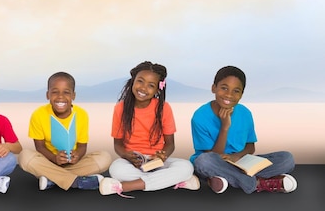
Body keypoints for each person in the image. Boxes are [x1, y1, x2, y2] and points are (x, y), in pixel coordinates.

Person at [190, 65, 297, 194]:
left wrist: (236, 157)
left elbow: (250, 146)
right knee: (203, 162)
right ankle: (257, 183)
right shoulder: (200, 116)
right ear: (214, 88)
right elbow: (214, 155)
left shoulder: (245, 113)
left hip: (240, 161)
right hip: (215, 161)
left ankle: (226, 179)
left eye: (236, 91)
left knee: (287, 159)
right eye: (224, 88)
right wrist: (225, 127)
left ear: (241, 94)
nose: (229, 95)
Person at [99, 61, 199, 197]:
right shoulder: (120, 108)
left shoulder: (164, 108)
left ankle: (125, 186)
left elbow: (170, 144)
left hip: (157, 161)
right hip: (133, 162)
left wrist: (162, 156)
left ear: (158, 89)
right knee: (116, 169)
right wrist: (126, 155)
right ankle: (171, 181)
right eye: (140, 81)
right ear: (133, 81)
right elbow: (117, 144)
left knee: (186, 166)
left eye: (151, 85)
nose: (143, 88)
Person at [18, 71, 112, 191]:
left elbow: (82, 146)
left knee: (105, 157)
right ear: (48, 95)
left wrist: (77, 155)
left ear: (73, 95)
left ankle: (52, 179)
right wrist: (54, 158)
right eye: (55, 92)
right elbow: (40, 147)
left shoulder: (82, 114)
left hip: (72, 163)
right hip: (48, 161)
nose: (60, 96)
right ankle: (75, 182)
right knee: (24, 156)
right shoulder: (38, 114)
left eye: (66, 92)